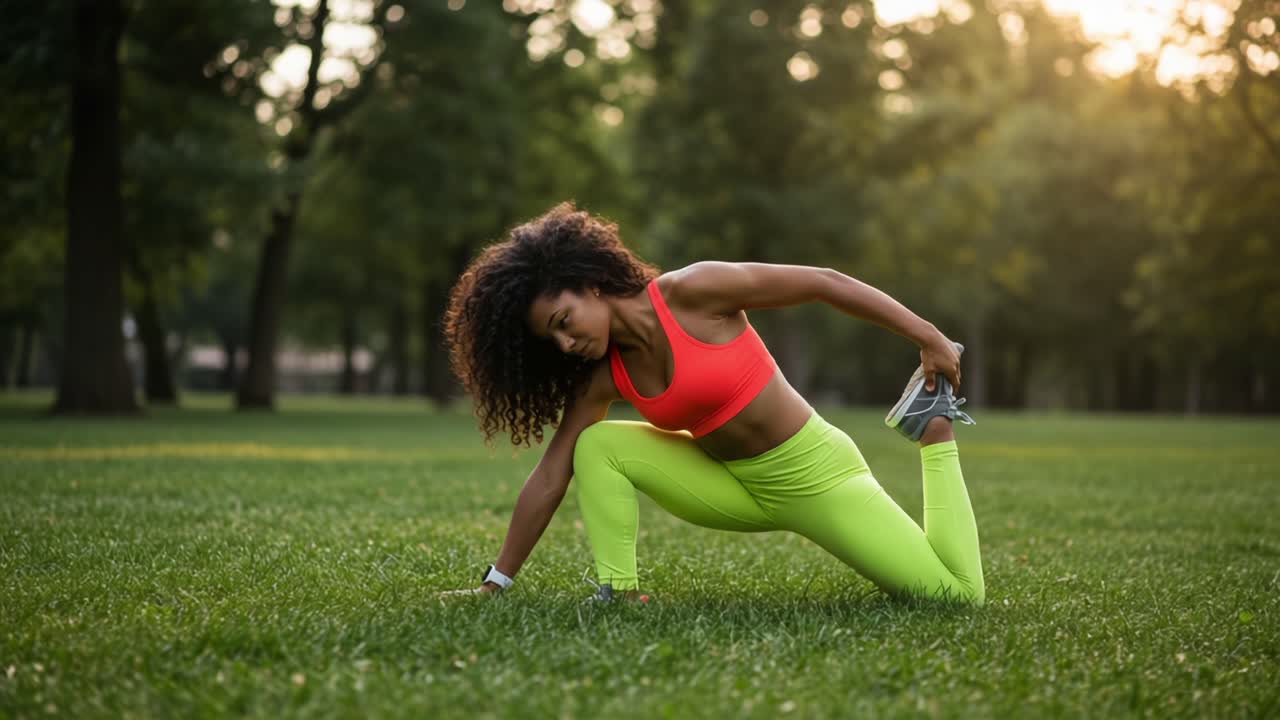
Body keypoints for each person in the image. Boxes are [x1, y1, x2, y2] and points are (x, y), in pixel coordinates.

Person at [439, 202, 983, 605]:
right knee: (595, 443)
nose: (565, 343)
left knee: (954, 598)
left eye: (564, 321)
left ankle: (934, 429)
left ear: (591, 285)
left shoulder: (694, 292)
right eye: (551, 340)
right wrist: (496, 583)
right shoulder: (605, 374)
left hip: (816, 476)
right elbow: (552, 472)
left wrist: (926, 335)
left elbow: (824, 283)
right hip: (729, 485)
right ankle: (620, 595)